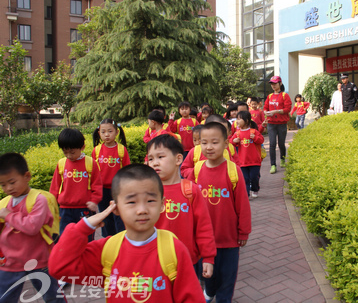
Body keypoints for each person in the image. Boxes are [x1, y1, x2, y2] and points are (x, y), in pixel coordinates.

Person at [49, 164, 205, 302]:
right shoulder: (108, 250)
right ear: (115, 208)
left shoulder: (174, 249)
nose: (142, 210)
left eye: (150, 201)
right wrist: (84, 226)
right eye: (131, 202)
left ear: (162, 205)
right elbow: (59, 267)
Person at [187, 123, 251, 303]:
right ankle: (210, 291)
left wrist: (243, 231)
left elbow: (243, 205)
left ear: (226, 144)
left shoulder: (233, 171)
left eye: (214, 142)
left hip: (229, 239)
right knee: (207, 276)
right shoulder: (197, 170)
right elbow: (188, 202)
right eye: (204, 142)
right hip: (203, 240)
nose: (208, 147)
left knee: (227, 279)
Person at [147, 135, 216, 280]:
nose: (155, 163)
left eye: (160, 157)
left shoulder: (191, 190)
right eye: (151, 159)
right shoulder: (146, 193)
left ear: (178, 159)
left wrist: (208, 257)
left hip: (187, 261)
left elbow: (203, 227)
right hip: (155, 261)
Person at [0, 153, 65, 303]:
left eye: (12, 182)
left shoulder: (38, 200)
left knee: (52, 297)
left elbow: (32, 227)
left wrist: (8, 216)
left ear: (27, 176)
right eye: (3, 185)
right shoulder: (4, 203)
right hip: (11, 263)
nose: (8, 188)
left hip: (39, 260)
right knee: (4, 298)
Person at [49, 128, 102, 242]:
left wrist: (94, 200)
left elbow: (97, 185)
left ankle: (88, 258)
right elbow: (55, 187)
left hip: (84, 208)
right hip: (65, 209)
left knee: (86, 237)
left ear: (82, 147)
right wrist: (51, 205)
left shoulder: (90, 163)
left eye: (72, 152)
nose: (69, 155)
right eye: (65, 152)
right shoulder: (61, 164)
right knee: (64, 237)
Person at [91, 119, 130, 237]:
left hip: (117, 188)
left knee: (119, 214)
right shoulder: (96, 150)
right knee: (105, 215)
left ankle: (121, 237)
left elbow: (127, 170)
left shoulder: (121, 149)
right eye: (103, 132)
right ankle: (108, 238)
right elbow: (93, 171)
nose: (107, 134)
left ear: (116, 132)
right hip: (102, 189)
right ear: (99, 133)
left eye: (110, 131)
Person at [181, 114, 240, 179]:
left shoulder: (227, 151)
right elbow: (184, 169)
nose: (209, 148)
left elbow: (236, 169)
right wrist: (197, 172)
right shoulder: (195, 151)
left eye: (224, 131)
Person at [230, 111, 264, 199]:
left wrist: (255, 138)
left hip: (254, 161)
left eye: (239, 119)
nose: (237, 121)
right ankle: (247, 194)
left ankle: (255, 189)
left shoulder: (253, 131)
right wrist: (234, 141)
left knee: (254, 177)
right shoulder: (237, 133)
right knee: (245, 179)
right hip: (242, 161)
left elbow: (261, 140)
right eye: (236, 119)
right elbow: (230, 142)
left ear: (247, 121)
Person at [264, 75, 292, 174]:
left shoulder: (285, 95)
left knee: (281, 143)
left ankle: (282, 159)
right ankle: (273, 165)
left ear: (280, 83)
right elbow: (265, 107)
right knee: (272, 144)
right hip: (271, 124)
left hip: (281, 123)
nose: (273, 86)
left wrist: (275, 111)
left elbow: (287, 109)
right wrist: (265, 112)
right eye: (272, 84)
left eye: (275, 83)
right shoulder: (270, 96)